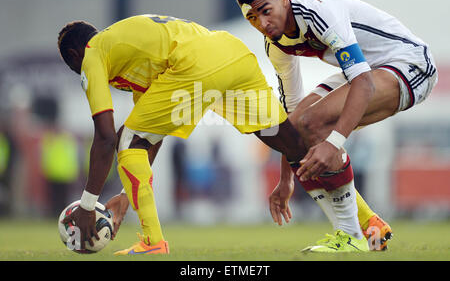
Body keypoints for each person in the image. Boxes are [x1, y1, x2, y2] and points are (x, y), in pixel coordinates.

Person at [57, 14, 317, 254]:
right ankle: (357, 223)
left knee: (126, 141)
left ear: (74, 54)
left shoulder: (93, 53)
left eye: (75, 68)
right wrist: (127, 194)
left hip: (195, 64)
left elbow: (105, 138)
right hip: (233, 54)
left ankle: (152, 242)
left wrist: (87, 206)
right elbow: (152, 136)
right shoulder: (131, 54)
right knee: (293, 144)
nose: (82, 73)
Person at [234, 0, 437, 252]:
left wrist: (334, 142)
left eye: (266, 11)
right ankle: (369, 228)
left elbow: (363, 82)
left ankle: (352, 236)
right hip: (366, 71)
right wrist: (286, 179)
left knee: (316, 125)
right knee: (297, 127)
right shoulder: (276, 45)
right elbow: (292, 124)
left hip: (410, 64)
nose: (263, 23)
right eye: (252, 18)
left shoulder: (317, 13)